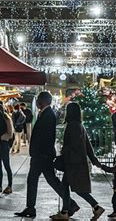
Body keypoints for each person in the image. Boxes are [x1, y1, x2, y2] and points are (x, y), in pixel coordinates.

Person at [15, 91, 79, 219]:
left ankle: (32, 207)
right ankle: (69, 204)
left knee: (39, 180)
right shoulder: (45, 114)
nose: (37, 101)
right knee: (48, 180)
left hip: (42, 155)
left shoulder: (48, 115)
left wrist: (40, 153)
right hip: (42, 155)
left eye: (38, 99)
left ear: (43, 101)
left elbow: (46, 137)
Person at [51, 102, 105, 220]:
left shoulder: (72, 126)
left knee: (75, 188)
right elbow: (88, 146)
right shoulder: (80, 125)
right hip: (78, 163)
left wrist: (63, 156)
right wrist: (94, 160)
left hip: (73, 163)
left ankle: (91, 207)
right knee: (69, 186)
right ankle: (69, 210)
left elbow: (70, 146)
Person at [0, 103, 13, 194]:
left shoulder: (7, 119)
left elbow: (10, 134)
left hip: (3, 144)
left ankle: (10, 185)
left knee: (6, 165)